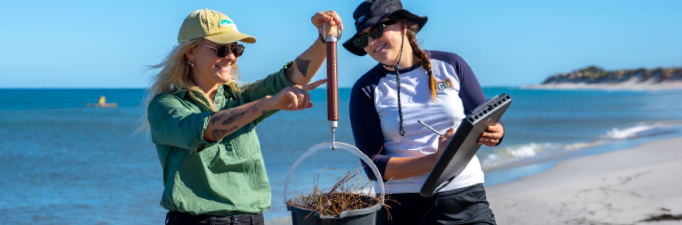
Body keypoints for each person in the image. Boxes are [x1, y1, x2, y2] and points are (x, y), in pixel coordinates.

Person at [145, 9, 342, 225]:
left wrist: (324, 39)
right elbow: (201, 130)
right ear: (190, 52)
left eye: (236, 49)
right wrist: (267, 104)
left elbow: (291, 77)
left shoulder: (240, 97)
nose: (231, 57)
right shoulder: (165, 105)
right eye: (221, 49)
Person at [343, 0, 505, 224]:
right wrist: (437, 159)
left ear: (402, 24)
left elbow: (484, 117)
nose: (371, 42)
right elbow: (373, 166)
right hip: (401, 208)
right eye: (363, 39)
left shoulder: (450, 64)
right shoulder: (366, 89)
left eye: (377, 30)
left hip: (465, 197)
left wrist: (496, 133)